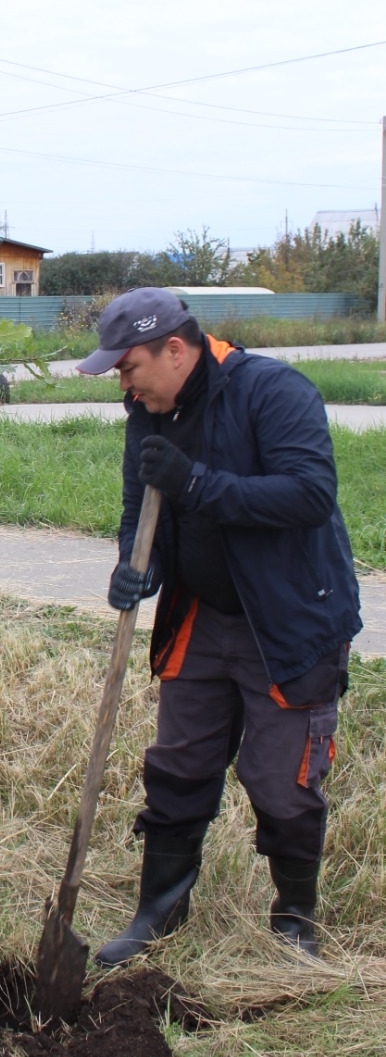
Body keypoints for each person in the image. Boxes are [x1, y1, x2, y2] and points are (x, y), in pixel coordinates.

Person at [78, 287, 360, 963]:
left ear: (175, 350)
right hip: (201, 615)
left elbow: (309, 494)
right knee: (179, 764)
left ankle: (294, 923)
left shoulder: (272, 392)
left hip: (288, 620)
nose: (123, 385)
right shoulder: (147, 413)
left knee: (281, 781)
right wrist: (135, 566)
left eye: (128, 367)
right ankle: (158, 913)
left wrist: (197, 484)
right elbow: (138, 508)